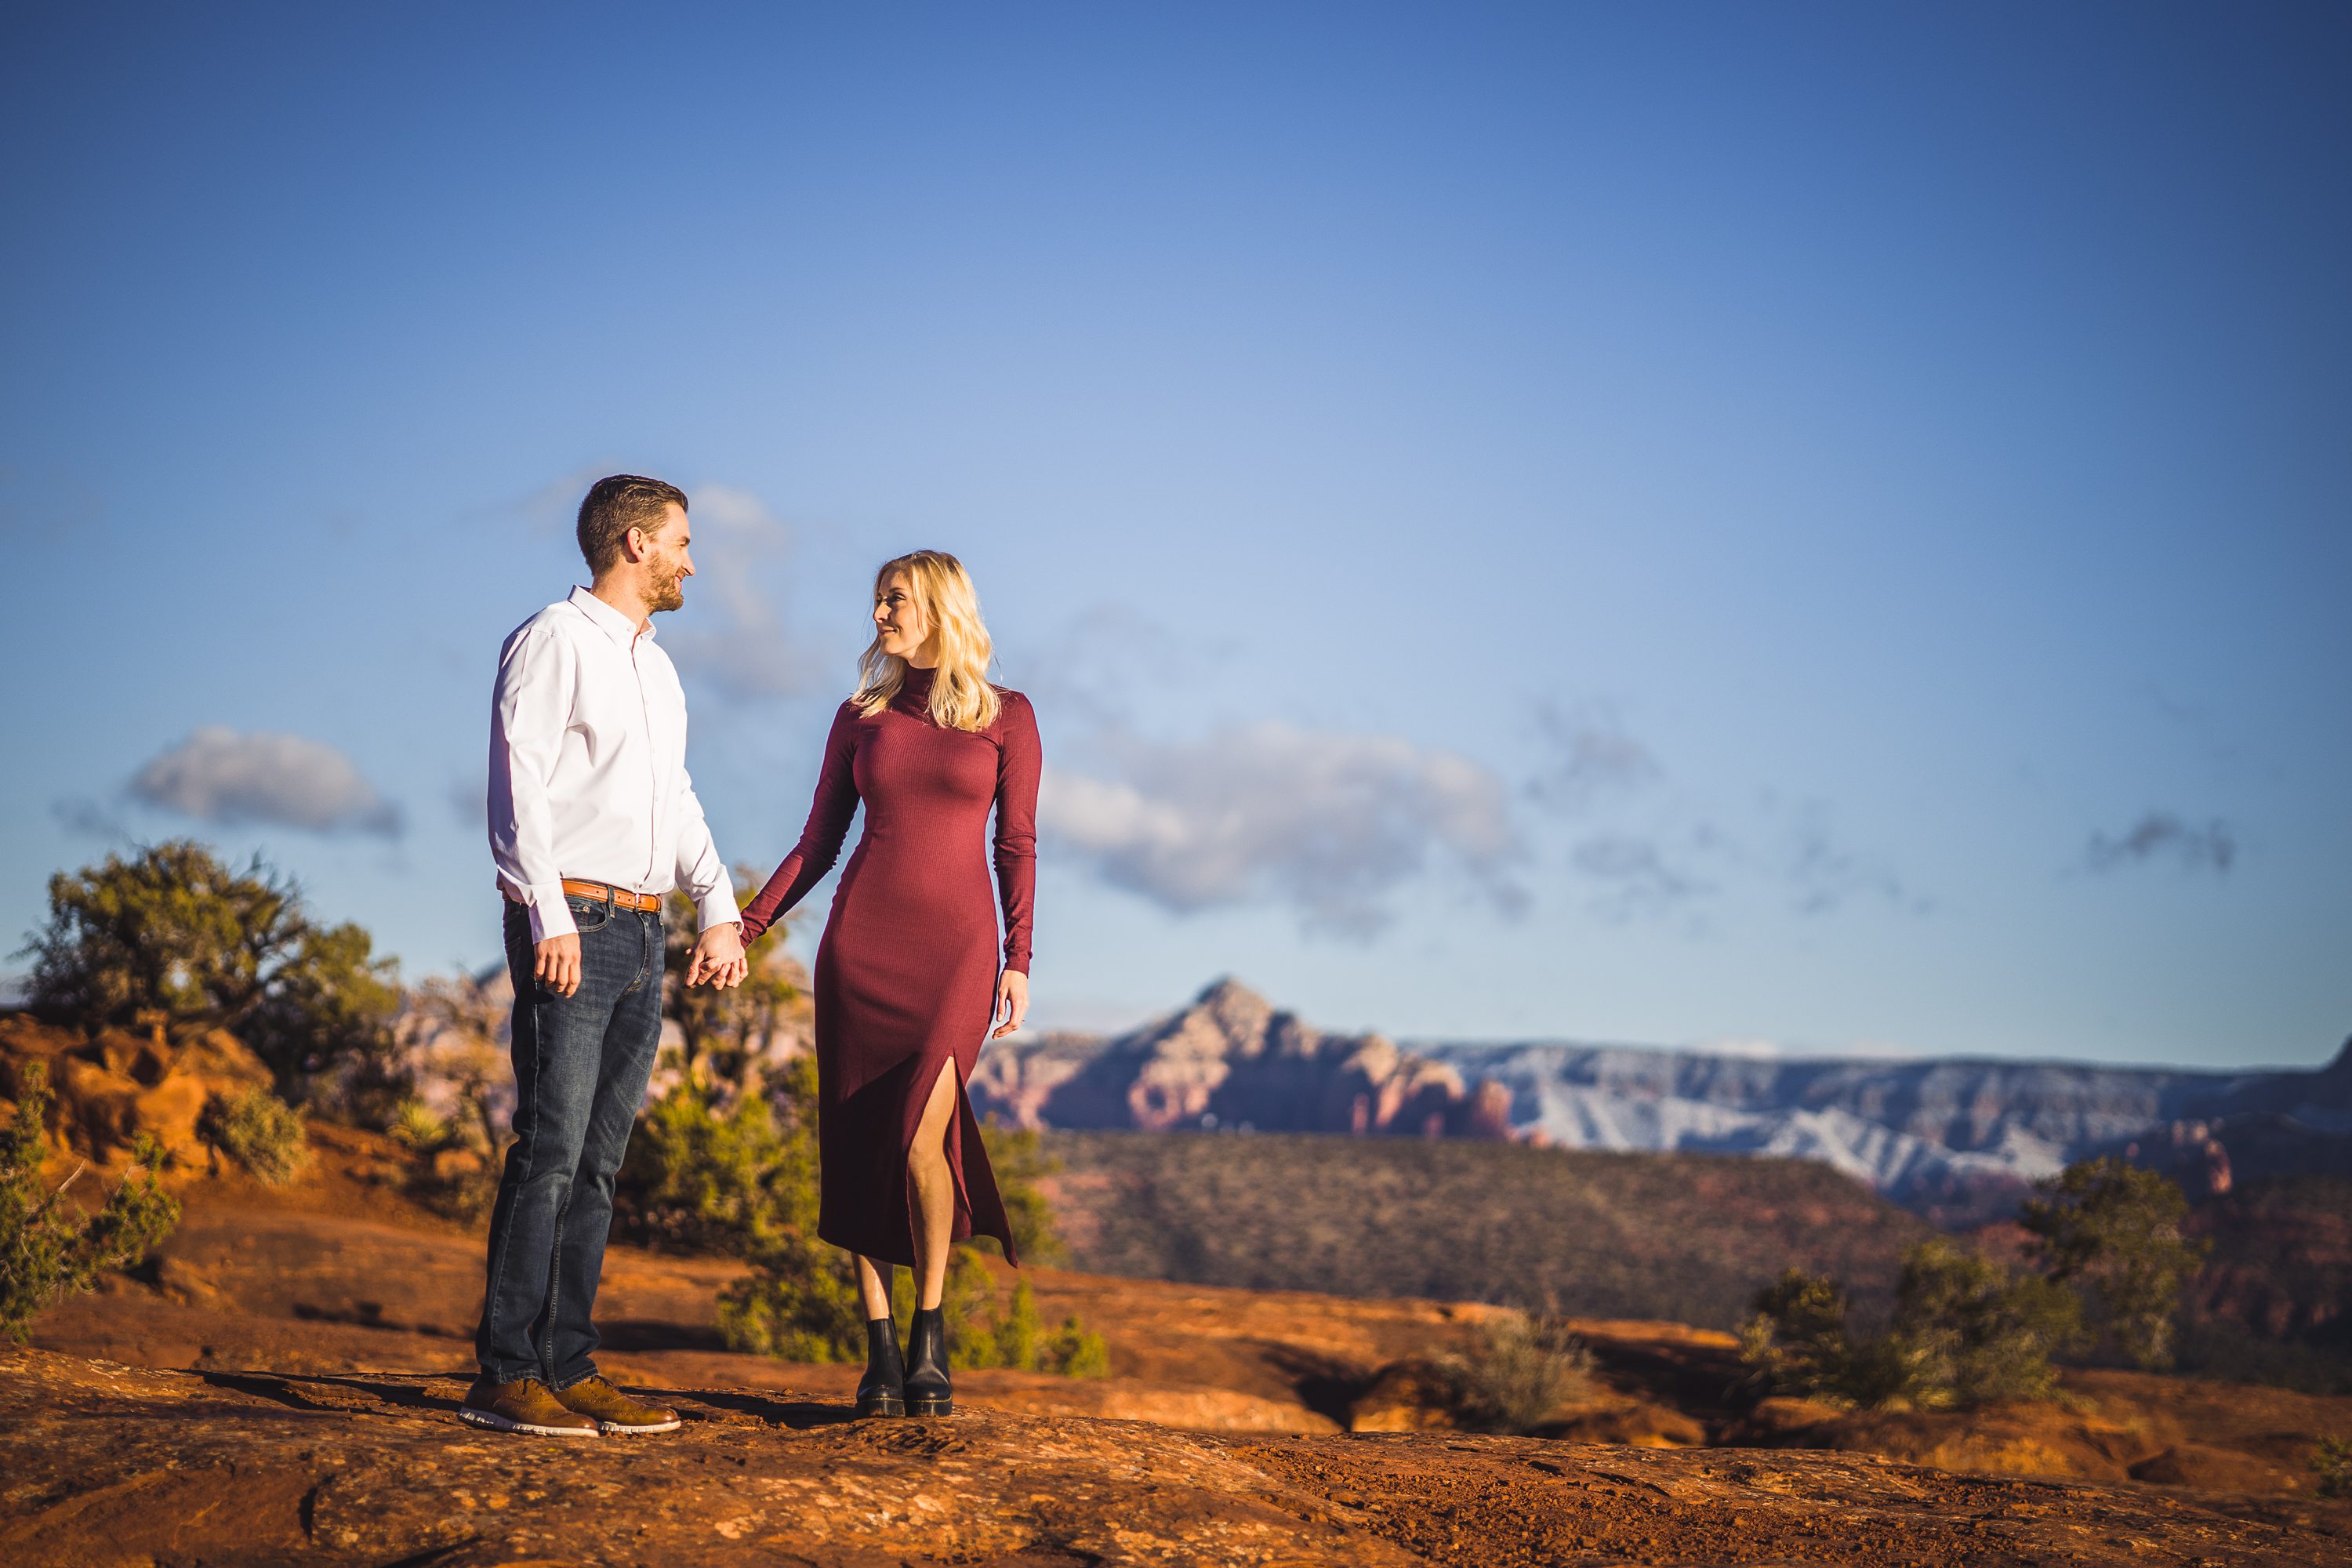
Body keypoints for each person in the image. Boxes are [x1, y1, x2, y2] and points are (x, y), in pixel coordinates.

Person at [461, 474, 749, 1439]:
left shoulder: (656, 668)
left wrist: (717, 905)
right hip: (572, 919)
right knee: (548, 1149)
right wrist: (545, 914)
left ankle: (569, 1364)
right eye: (680, 541)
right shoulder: (553, 639)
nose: (691, 561)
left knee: (599, 1160)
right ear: (634, 544)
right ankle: (505, 1372)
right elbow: (518, 786)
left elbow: (676, 797)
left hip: (644, 928)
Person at [737, 550, 1040, 1418]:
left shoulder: (1007, 716)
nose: (879, 615)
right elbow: (818, 842)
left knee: (919, 1139)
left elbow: (1014, 844)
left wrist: (1019, 956)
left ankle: (929, 1332)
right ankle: (877, 1346)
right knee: (862, 1135)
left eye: (894, 600)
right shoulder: (859, 716)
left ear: (941, 606)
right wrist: (751, 924)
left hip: (957, 952)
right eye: (876, 601)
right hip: (859, 948)